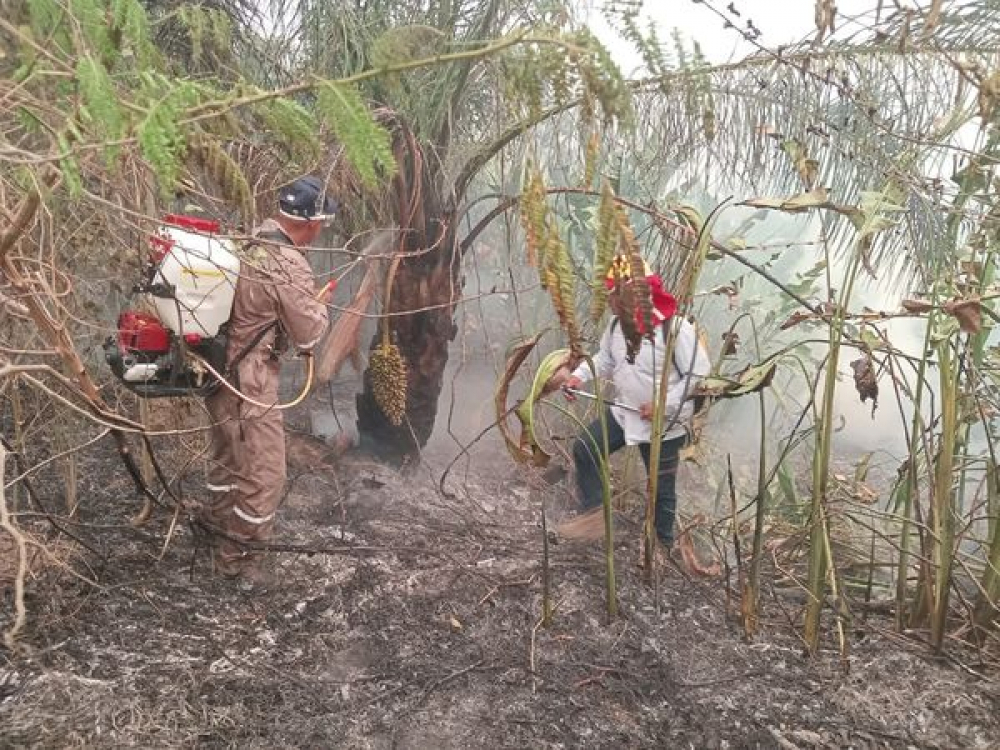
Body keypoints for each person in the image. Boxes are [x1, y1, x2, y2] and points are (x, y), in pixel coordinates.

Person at [201, 175, 334, 584]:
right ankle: (238, 563)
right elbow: (309, 333)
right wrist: (319, 306)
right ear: (311, 223)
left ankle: (214, 537)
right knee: (267, 474)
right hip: (252, 379)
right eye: (321, 224)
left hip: (217, 369)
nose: (321, 231)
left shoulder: (247, 239)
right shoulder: (286, 260)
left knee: (227, 461)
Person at [550, 256, 710, 553]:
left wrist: (663, 404)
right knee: (586, 449)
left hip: (665, 424)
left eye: (613, 295)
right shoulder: (615, 327)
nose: (609, 301)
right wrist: (578, 377)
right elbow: (607, 359)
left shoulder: (675, 330)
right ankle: (595, 518)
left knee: (661, 489)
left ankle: (662, 548)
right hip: (625, 412)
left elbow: (698, 376)